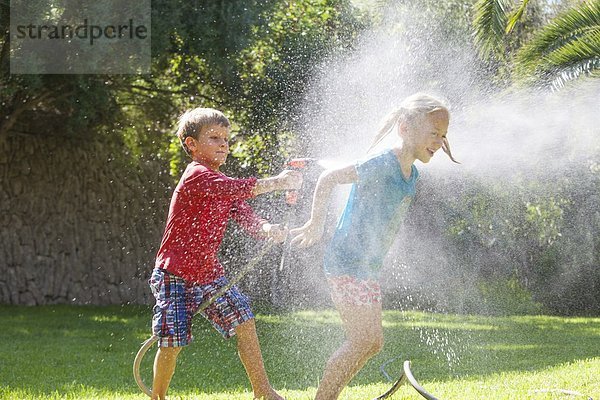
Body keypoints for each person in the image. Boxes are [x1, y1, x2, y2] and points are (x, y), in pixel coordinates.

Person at [290, 93, 458, 400]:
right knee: (360, 340)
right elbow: (327, 179)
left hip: (366, 267)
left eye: (443, 135)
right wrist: (315, 224)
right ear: (406, 128)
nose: (438, 141)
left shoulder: (412, 173)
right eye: (433, 133)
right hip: (347, 262)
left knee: (372, 342)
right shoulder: (383, 163)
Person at [149, 107, 302, 400]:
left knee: (244, 320)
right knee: (173, 341)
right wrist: (279, 182)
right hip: (174, 275)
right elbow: (238, 188)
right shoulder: (198, 176)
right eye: (214, 137)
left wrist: (267, 228)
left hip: (208, 273)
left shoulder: (221, 184)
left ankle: (263, 392)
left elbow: (246, 217)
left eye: (226, 139)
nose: (223, 144)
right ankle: (157, 398)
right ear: (191, 144)